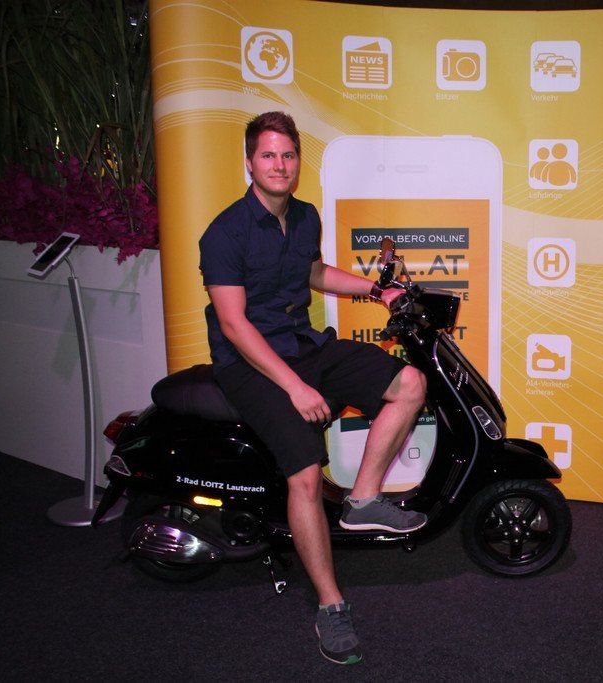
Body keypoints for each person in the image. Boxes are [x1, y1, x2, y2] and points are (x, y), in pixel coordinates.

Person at [198, 111, 427, 664]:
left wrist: (377, 290)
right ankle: (330, 604)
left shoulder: (304, 216)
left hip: (302, 342)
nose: (279, 165)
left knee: (409, 382)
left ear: (298, 162)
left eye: (288, 155)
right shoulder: (224, 232)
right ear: (249, 162)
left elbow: (313, 273)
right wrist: (295, 388)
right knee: (304, 473)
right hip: (249, 361)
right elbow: (234, 324)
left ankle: (363, 500)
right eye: (268, 155)